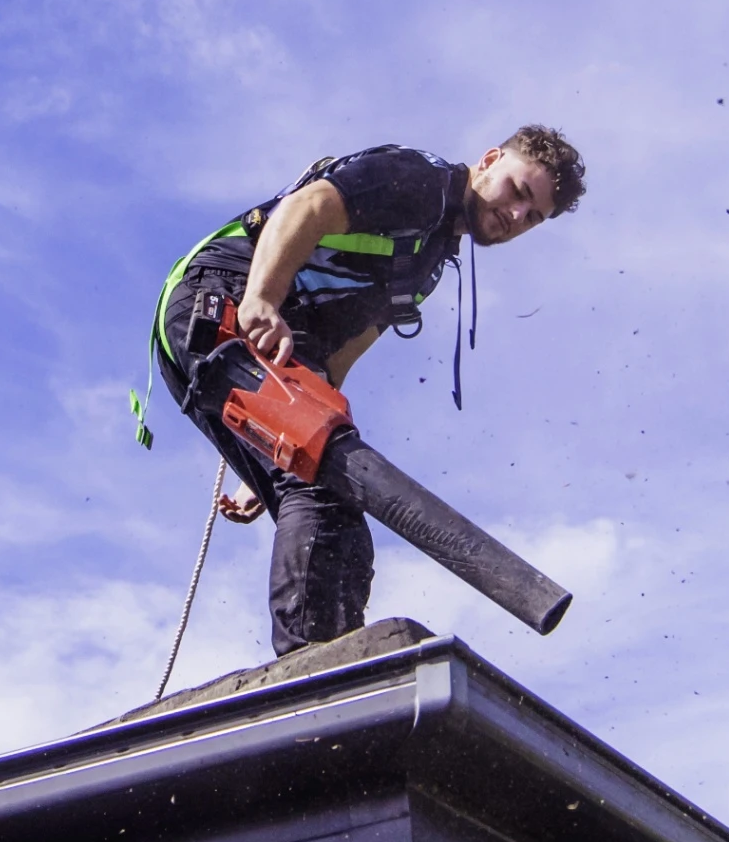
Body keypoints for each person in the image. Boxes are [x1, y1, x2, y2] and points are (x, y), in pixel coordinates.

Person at [151, 129, 584, 655]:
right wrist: (262, 299)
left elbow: (339, 358)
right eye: (518, 192)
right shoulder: (418, 181)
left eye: (533, 217)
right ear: (490, 160)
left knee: (338, 509)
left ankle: (341, 675)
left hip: (268, 346)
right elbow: (307, 206)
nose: (516, 216)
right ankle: (313, 681)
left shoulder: (427, 262)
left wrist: (271, 453)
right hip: (219, 307)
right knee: (325, 496)